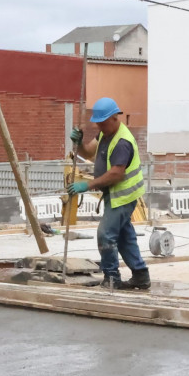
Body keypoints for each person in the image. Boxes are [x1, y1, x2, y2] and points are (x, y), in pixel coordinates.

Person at [68, 97, 149, 290]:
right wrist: (78, 143)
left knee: (105, 234)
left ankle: (111, 278)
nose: (100, 127)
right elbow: (88, 152)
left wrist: (87, 186)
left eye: (103, 123)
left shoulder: (122, 141)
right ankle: (141, 275)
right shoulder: (106, 134)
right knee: (124, 237)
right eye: (98, 124)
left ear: (114, 118)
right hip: (115, 195)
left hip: (122, 196)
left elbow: (116, 174)